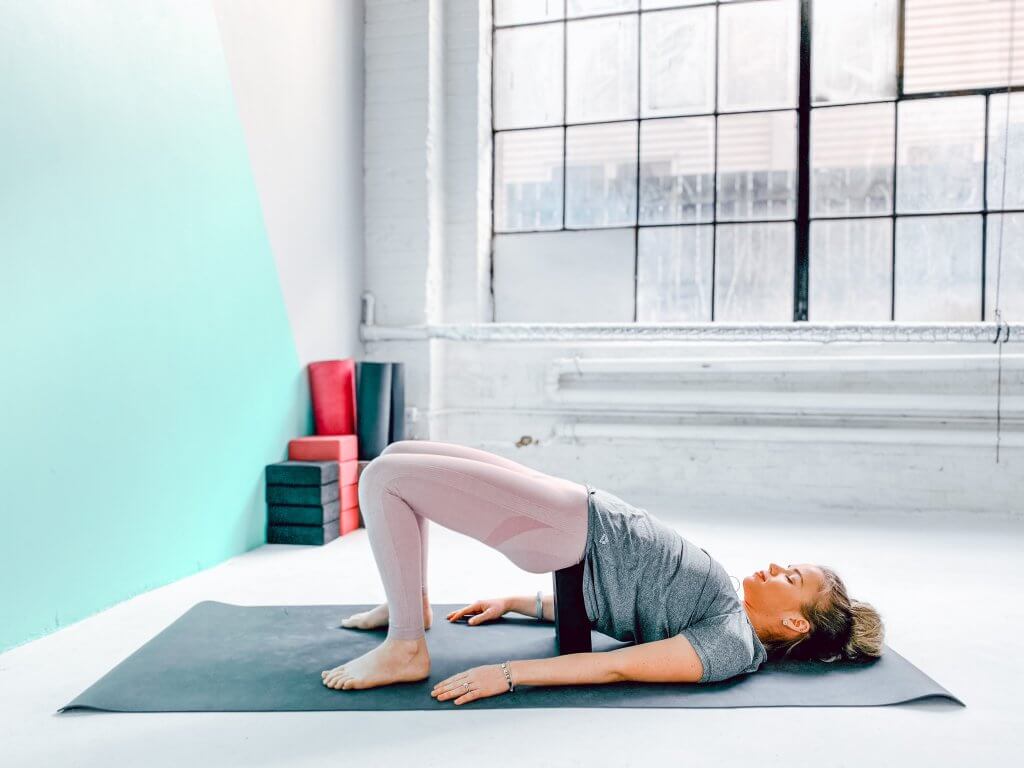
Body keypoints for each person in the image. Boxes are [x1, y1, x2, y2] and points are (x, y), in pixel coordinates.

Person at [321, 440, 885, 704]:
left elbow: (620, 667)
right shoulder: (726, 611)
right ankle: (410, 610)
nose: (777, 567)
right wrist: (521, 603)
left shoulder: (731, 645)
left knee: (383, 479)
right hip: (576, 515)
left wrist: (508, 674)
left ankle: (405, 647)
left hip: (569, 526)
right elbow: (628, 605)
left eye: (792, 580)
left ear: (794, 625)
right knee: (398, 454)